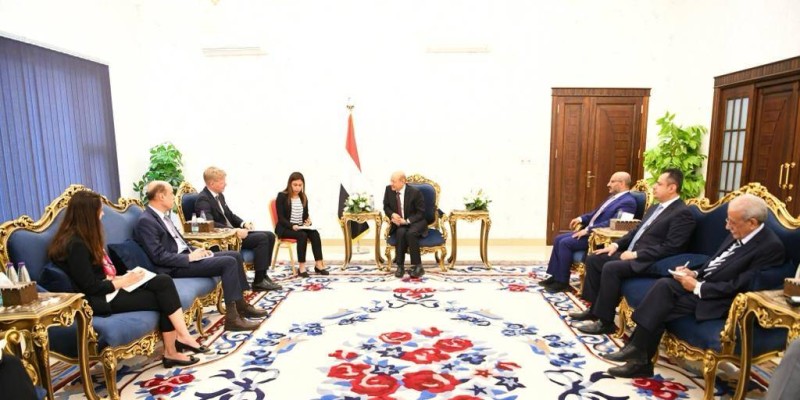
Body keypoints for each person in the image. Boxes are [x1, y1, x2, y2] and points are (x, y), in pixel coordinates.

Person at [601, 194, 784, 378]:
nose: (727, 226)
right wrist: (694, 273)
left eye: (732, 222)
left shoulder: (769, 248)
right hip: (705, 284)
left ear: (752, 223)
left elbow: (740, 286)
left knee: (660, 305)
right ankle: (637, 353)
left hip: (720, 298)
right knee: (664, 285)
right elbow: (716, 263)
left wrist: (698, 287)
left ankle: (638, 356)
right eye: (727, 220)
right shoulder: (740, 231)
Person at [48, 191, 207, 368]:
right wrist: (123, 282)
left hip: (108, 288)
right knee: (164, 298)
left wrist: (123, 277)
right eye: (100, 210)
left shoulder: (82, 238)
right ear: (88, 214)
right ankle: (174, 349)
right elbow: (90, 287)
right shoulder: (76, 244)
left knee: (163, 281)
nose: (103, 213)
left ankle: (181, 340)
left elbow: (95, 275)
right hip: (98, 300)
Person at [571, 168, 696, 334]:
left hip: (650, 261)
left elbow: (671, 247)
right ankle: (594, 310)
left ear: (672, 188)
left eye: (659, 184)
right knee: (594, 258)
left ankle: (606, 322)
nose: (654, 187)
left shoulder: (682, 213)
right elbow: (635, 231)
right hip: (632, 253)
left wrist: (636, 254)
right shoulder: (655, 208)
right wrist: (616, 245)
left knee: (611, 267)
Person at [134, 181, 265, 332]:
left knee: (234, 255)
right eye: (171, 194)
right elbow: (158, 256)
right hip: (174, 267)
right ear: (161, 196)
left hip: (186, 256)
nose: (173, 197)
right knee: (228, 262)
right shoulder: (146, 221)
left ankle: (241, 306)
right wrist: (189, 258)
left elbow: (179, 243)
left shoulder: (163, 217)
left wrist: (198, 251)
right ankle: (232, 319)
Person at [541, 171, 637, 293]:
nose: (608, 184)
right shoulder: (612, 198)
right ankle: (555, 276)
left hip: (598, 236)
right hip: (590, 232)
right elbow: (595, 214)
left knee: (565, 243)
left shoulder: (628, 202)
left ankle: (562, 282)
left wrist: (588, 230)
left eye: (612, 182)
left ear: (622, 183)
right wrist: (581, 219)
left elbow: (615, 223)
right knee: (558, 238)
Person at [194, 167, 281, 291]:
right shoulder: (203, 199)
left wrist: (243, 224)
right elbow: (209, 224)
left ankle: (263, 275)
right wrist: (234, 231)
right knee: (261, 238)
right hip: (226, 238)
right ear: (212, 183)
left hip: (234, 233)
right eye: (222, 181)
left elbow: (230, 215)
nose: (226, 184)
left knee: (270, 235)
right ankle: (259, 282)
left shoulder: (219, 196)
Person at [274, 172, 329, 277]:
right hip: (285, 228)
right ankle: (302, 268)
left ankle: (319, 265)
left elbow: (305, 216)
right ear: (290, 184)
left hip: (299, 227)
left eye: (300, 185)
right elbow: (281, 218)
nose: (297, 188)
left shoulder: (303, 197)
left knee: (315, 234)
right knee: (302, 235)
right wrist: (292, 226)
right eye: (295, 185)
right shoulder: (282, 196)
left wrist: (308, 222)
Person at [383, 171, 427, 278]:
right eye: (391, 181)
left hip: (416, 221)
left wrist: (407, 221)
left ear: (403, 181)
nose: (391, 183)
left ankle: (418, 266)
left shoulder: (415, 192)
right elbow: (386, 206)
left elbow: (421, 213)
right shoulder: (388, 190)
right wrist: (392, 214)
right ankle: (400, 266)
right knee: (400, 232)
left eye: (394, 181)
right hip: (400, 224)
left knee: (411, 233)